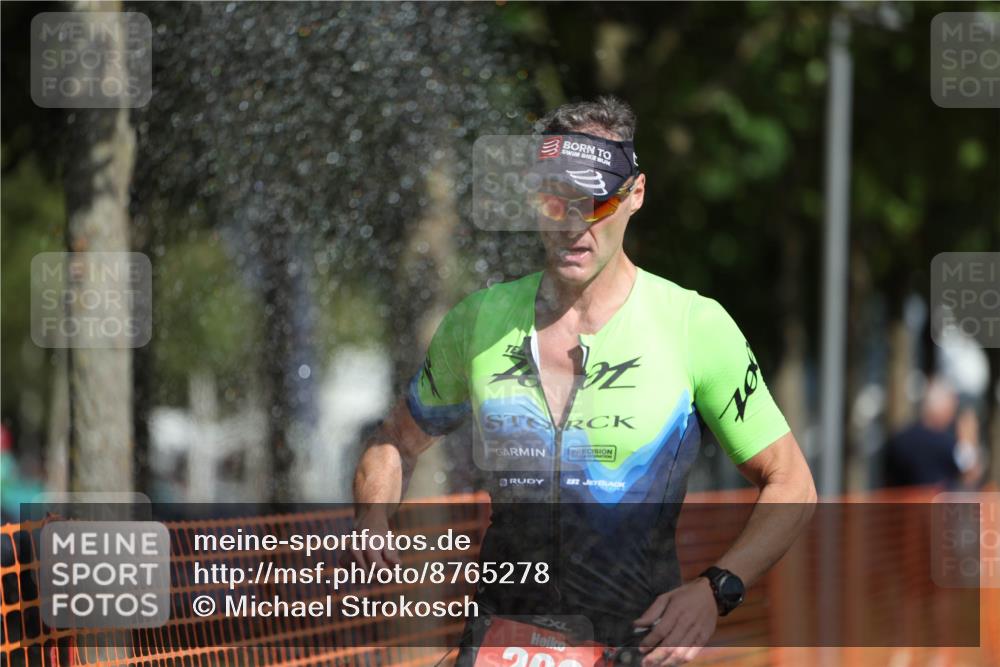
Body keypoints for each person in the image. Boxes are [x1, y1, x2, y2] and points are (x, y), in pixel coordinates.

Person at [350, 96, 816, 666]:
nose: (574, 225)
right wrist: (374, 512)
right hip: (501, 642)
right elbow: (395, 440)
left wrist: (717, 588)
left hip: (632, 645)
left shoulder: (694, 325)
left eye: (594, 203)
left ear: (635, 195)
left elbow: (791, 483)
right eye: (555, 202)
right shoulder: (478, 322)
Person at [884, 377, 984, 489]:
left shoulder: (898, 440)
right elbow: (971, 471)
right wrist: (968, 437)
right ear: (942, 410)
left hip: (899, 506)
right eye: (951, 410)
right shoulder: (947, 445)